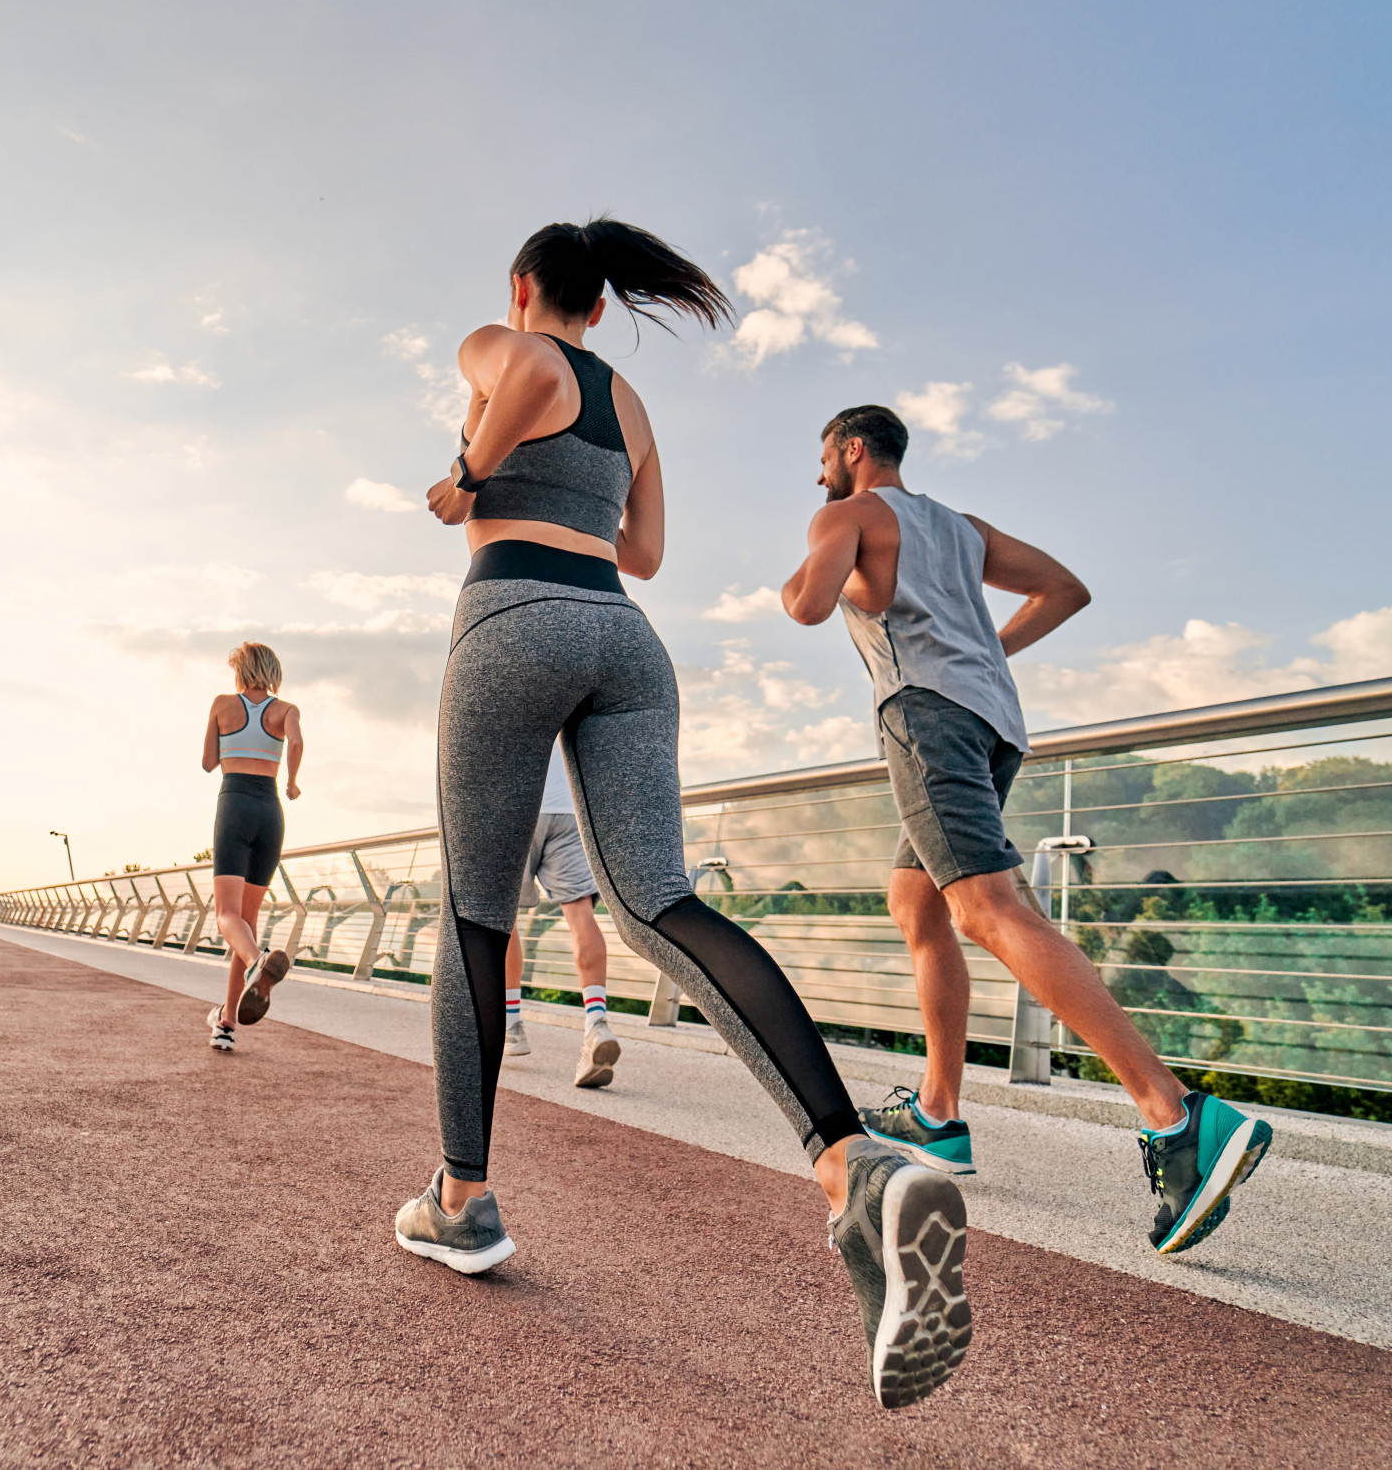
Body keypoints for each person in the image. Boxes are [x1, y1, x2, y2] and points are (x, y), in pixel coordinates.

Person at [392, 219, 971, 1412]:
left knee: (472, 913)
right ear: (604, 305)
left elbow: (492, 437)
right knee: (660, 899)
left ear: (524, 289)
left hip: (514, 618)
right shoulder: (635, 404)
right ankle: (850, 1161)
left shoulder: (502, 343)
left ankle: (461, 1198)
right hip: (625, 640)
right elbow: (644, 550)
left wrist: (462, 480)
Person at [779, 405, 1273, 1255]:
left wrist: (817, 557)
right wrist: (987, 651)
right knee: (918, 903)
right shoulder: (962, 528)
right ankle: (938, 1113)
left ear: (853, 450)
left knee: (987, 909)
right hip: (993, 722)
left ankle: (1177, 1115)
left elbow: (805, 605)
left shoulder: (848, 513)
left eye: (823, 453)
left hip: (925, 719)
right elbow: (1066, 589)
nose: (817, 470)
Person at [199, 642, 304, 1052]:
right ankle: (226, 1022)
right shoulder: (287, 710)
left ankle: (258, 962)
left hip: (236, 803)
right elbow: (295, 743)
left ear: (240, 672)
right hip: (271, 810)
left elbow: (208, 762)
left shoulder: (223, 704)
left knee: (226, 915)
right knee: (245, 921)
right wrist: (293, 781)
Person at [501, 741, 622, 1089]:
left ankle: (511, 1025)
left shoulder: (503, 687)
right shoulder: (572, 685)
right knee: (581, 914)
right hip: (570, 809)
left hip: (517, 804)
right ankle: (596, 1022)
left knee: (502, 916)